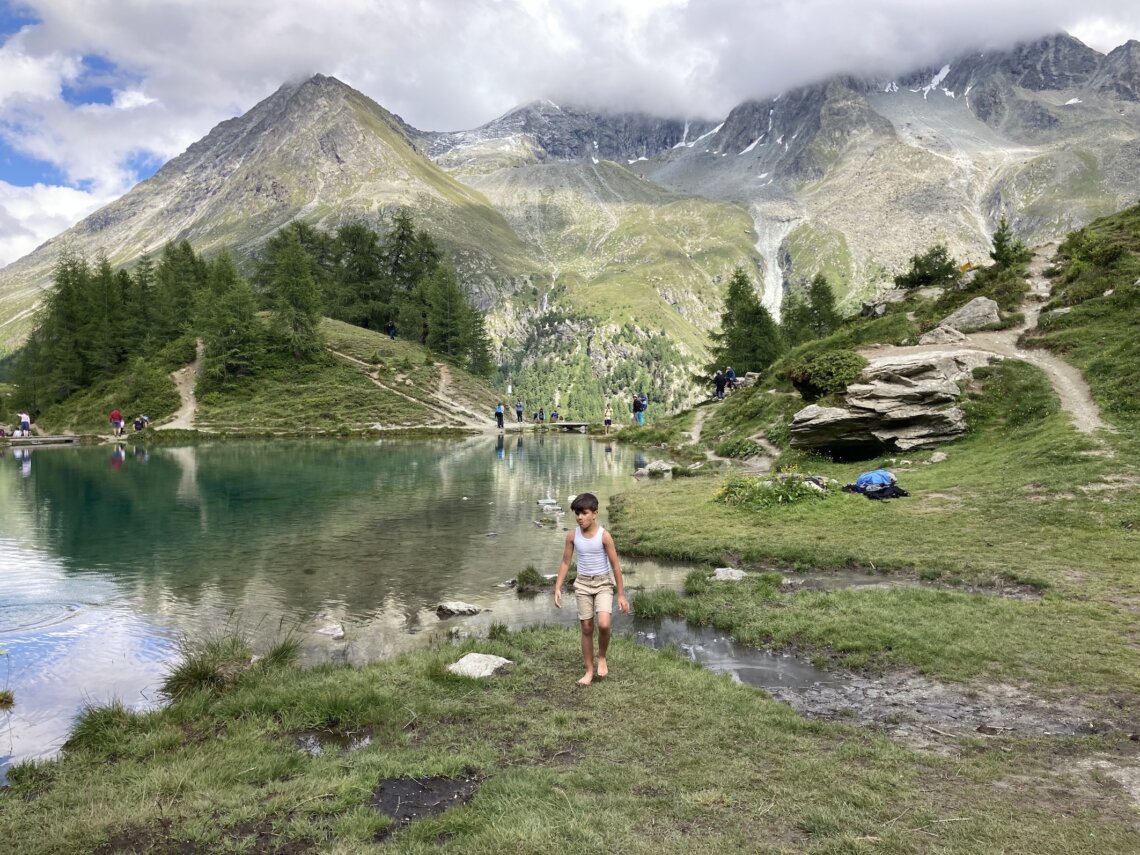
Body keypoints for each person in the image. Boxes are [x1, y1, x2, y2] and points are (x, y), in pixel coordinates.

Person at [554, 492, 629, 686]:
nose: (580, 517)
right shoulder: (572, 535)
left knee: (603, 623)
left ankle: (601, 656)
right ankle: (589, 670)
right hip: (582, 584)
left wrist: (621, 594)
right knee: (586, 627)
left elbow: (615, 566)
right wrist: (558, 587)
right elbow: (565, 562)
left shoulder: (604, 536)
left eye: (584, 513)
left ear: (594, 513)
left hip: (603, 583)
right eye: (577, 513)